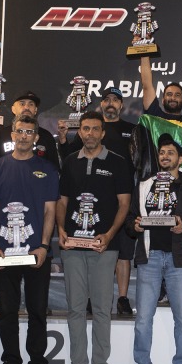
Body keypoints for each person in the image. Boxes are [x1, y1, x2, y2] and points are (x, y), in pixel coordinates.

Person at [0, 114, 60, 364]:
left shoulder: (47, 169)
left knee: (38, 310)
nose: (24, 136)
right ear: (12, 135)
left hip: (37, 252)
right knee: (8, 311)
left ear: (36, 137)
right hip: (5, 253)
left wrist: (44, 246)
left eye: (29, 132)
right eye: (20, 131)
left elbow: (50, 212)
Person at [56, 111, 132, 364]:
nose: (89, 133)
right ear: (81, 132)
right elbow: (62, 201)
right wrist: (61, 229)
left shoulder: (118, 162)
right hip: (73, 245)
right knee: (76, 308)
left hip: (104, 246)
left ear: (102, 133)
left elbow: (124, 204)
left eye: (95, 129)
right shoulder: (69, 162)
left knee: (101, 308)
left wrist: (110, 234)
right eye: (85, 129)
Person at [126, 134, 182, 364]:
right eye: (162, 153)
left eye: (171, 153)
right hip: (149, 257)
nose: (165, 156)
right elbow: (130, 221)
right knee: (143, 318)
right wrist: (136, 226)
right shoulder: (144, 185)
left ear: (180, 159)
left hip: (179, 258)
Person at [61, 86, 139, 318]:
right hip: (88, 199)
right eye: (107, 100)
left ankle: (123, 298)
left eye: (116, 100)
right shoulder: (84, 134)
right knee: (85, 247)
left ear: (121, 105)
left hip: (120, 195)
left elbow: (139, 158)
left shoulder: (131, 129)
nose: (111, 103)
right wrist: (64, 140)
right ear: (101, 104)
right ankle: (85, 298)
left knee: (122, 252)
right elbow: (69, 156)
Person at [0, 90, 61, 167]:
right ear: (13, 109)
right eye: (22, 104)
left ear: (35, 110)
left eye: (31, 104)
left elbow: (54, 169)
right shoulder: (1, 135)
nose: (26, 107)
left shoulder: (46, 136)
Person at [139, 55, 182, 132]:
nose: (173, 98)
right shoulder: (155, 114)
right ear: (163, 100)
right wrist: (144, 51)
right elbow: (147, 86)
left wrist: (158, 124)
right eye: (169, 94)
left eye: (177, 95)